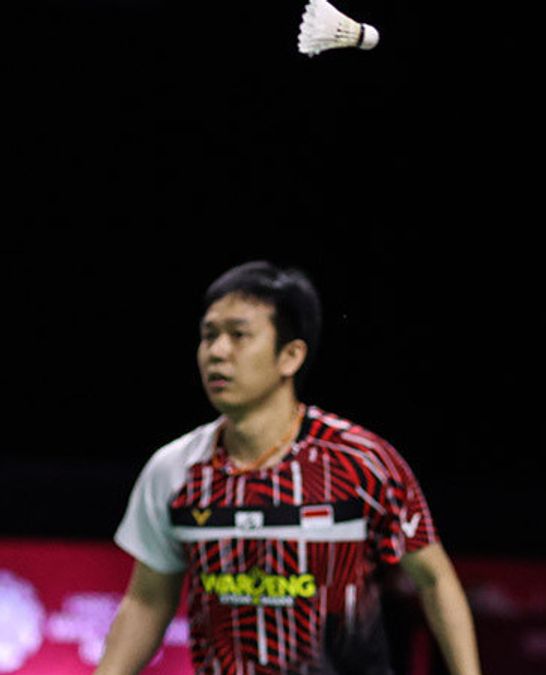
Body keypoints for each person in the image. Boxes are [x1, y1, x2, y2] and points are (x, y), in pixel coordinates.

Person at [98, 261, 481, 675]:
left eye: (239, 335)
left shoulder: (361, 462)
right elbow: (148, 601)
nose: (217, 351)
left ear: (290, 355)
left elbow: (435, 581)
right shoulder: (174, 471)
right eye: (209, 336)